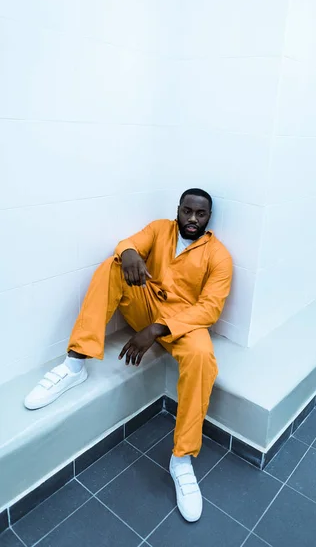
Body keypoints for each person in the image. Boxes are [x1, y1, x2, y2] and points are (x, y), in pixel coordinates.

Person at [24, 188, 233, 523]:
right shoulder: (160, 229)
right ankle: (75, 364)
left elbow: (209, 310)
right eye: (188, 211)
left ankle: (181, 460)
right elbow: (128, 242)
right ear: (178, 210)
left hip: (181, 324)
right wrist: (131, 252)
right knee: (113, 265)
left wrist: (156, 330)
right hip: (147, 306)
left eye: (201, 214)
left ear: (209, 218)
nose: (193, 219)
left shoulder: (219, 256)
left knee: (203, 358)